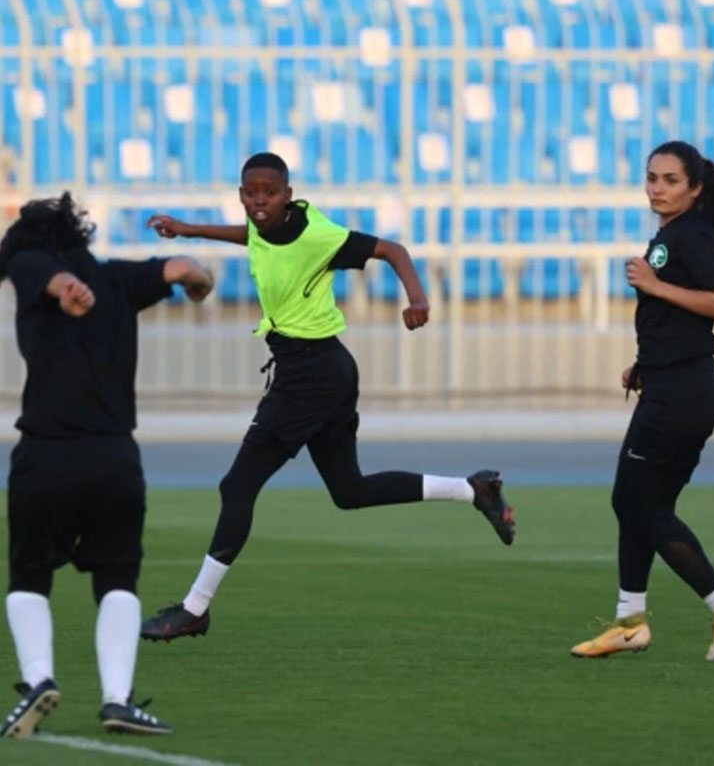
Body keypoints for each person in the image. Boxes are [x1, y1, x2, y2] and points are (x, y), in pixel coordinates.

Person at [139, 152, 515, 643]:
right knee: (349, 492)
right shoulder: (263, 225)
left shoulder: (318, 235)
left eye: (268, 192)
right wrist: (187, 230)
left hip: (311, 376)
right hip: (323, 372)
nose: (258, 201)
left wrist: (418, 299)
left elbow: (394, 250)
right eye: (250, 192)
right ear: (241, 194)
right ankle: (474, 489)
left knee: (237, 486)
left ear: (288, 195)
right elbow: (249, 235)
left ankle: (195, 609)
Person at [0, 192, 214, 737]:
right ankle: (117, 700)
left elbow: (41, 274)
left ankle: (39, 681)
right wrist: (197, 282)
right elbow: (186, 266)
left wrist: (64, 290)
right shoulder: (120, 279)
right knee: (119, 578)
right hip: (115, 459)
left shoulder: (27, 264)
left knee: (29, 577)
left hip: (46, 454)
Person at [570, 141, 714, 662]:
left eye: (671, 180)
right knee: (643, 505)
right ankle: (630, 621)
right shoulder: (675, 234)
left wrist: (654, 285)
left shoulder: (692, 235)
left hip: (685, 390)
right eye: (652, 177)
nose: (658, 187)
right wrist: (645, 362)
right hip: (673, 382)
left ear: (694, 188)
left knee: (633, 502)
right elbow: (678, 319)